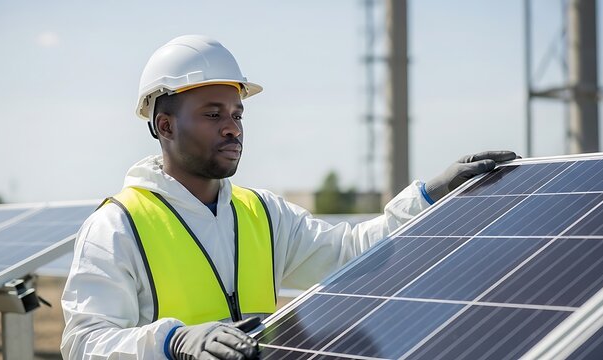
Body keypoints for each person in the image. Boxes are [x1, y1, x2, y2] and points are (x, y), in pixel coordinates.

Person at [60, 35, 516, 360]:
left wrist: (428, 197)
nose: (232, 127)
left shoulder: (262, 213)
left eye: (238, 114)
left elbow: (354, 255)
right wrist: (172, 342)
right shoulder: (118, 225)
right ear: (165, 126)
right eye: (213, 113)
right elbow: (84, 345)